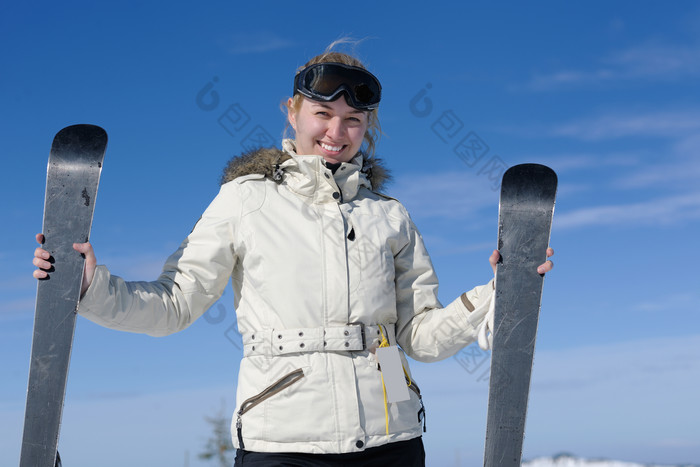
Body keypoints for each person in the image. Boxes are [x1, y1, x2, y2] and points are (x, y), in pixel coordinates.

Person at [33, 45, 553, 466]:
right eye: (323, 113)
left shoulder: (389, 215)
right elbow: (175, 304)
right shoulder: (246, 199)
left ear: (367, 126)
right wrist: (88, 289)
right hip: (285, 440)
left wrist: (496, 296)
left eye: (353, 119)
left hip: (395, 435)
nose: (336, 132)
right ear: (293, 111)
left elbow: (417, 336)